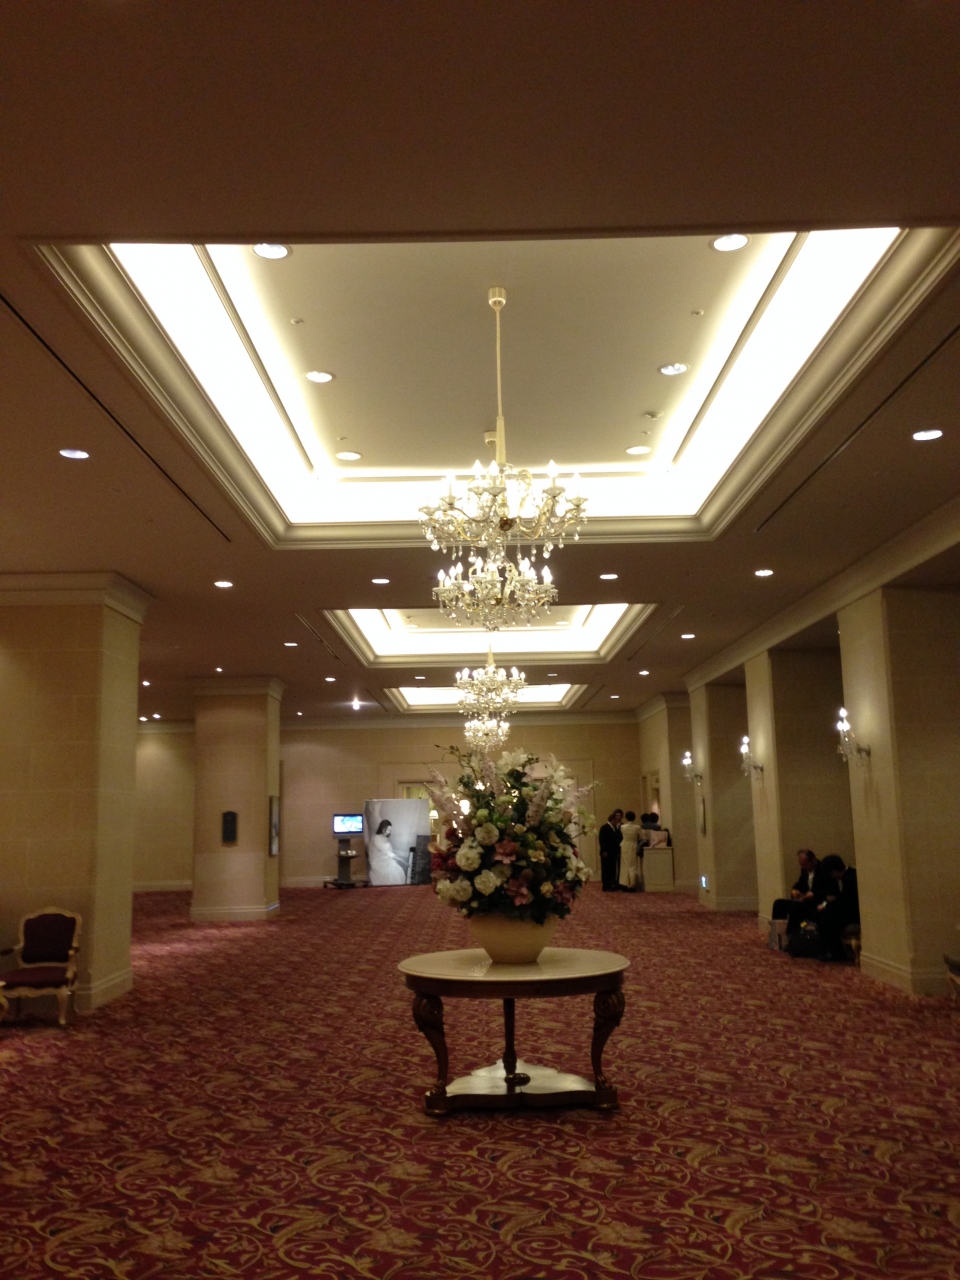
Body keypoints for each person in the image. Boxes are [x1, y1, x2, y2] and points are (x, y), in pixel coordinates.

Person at [771, 849, 829, 934]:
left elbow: (830, 891)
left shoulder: (824, 870)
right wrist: (795, 890)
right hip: (805, 901)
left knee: (795, 907)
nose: (803, 867)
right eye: (801, 865)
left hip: (817, 903)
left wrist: (814, 894)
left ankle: (791, 934)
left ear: (813, 860)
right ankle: (777, 932)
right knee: (778, 904)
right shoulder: (804, 870)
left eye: (805, 864)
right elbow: (800, 884)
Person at [816, 854, 860, 961]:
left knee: (825, 920)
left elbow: (845, 900)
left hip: (854, 913)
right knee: (826, 914)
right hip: (852, 909)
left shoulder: (848, 878)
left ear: (834, 872)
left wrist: (826, 906)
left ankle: (836, 953)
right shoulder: (851, 874)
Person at [366, 819, 407, 886]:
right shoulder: (376, 838)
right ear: (383, 829)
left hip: (385, 859)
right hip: (379, 863)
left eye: (390, 830)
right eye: (388, 830)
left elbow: (390, 851)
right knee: (395, 873)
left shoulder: (384, 837)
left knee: (398, 870)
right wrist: (402, 860)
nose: (389, 832)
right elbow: (388, 852)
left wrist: (402, 855)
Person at [618, 811, 645, 891]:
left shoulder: (623, 827)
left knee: (624, 865)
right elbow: (642, 838)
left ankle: (625, 883)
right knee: (633, 866)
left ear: (626, 818)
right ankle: (632, 884)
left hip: (624, 846)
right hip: (633, 845)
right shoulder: (637, 827)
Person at [598, 810, 623, 892]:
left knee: (612, 868)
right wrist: (604, 850)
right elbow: (602, 840)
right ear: (612, 820)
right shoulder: (604, 828)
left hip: (613, 852)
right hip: (606, 852)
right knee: (606, 868)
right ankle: (606, 885)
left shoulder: (615, 828)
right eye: (616, 820)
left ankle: (612, 884)